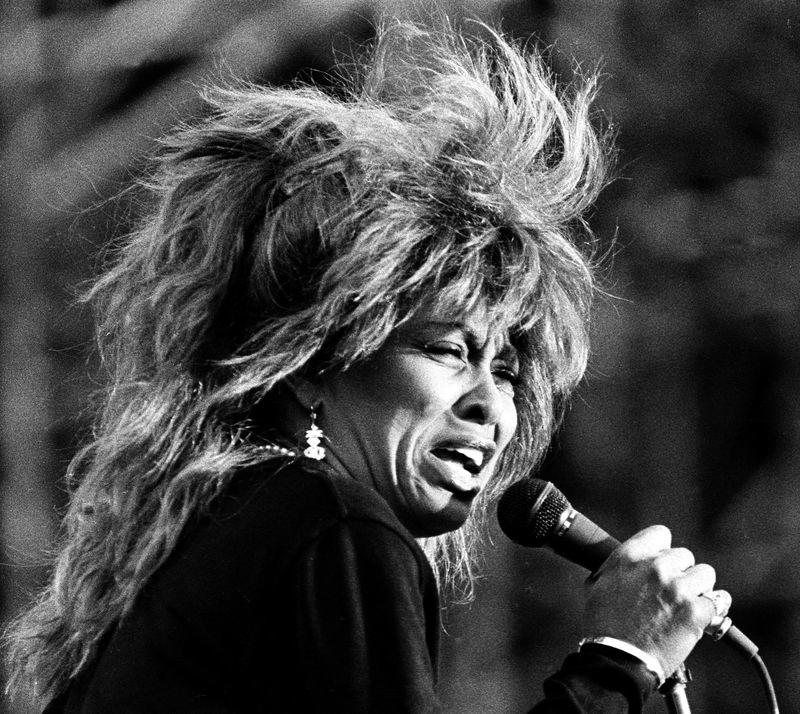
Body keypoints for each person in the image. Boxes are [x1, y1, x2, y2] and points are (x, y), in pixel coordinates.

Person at [4, 20, 730, 712]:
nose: (492, 407)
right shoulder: (332, 528)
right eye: (449, 350)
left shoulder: (201, 533)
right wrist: (620, 661)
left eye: (507, 370)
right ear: (314, 359)